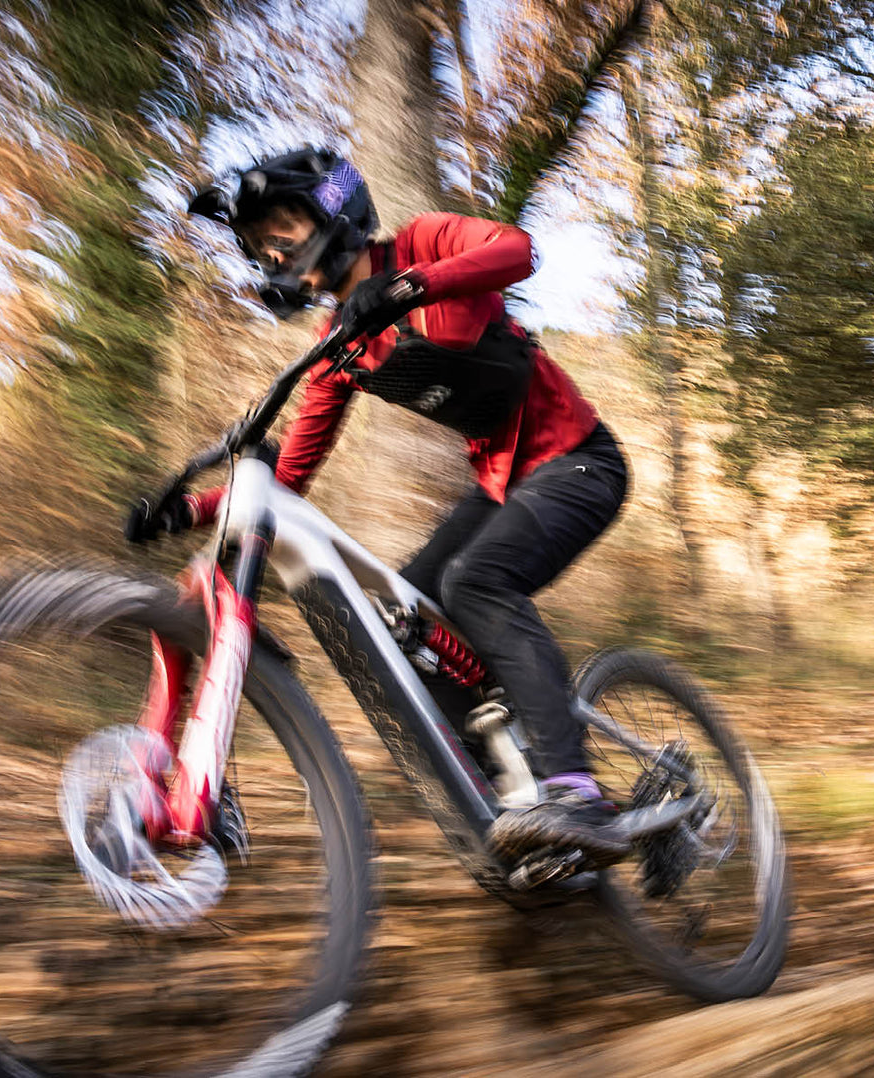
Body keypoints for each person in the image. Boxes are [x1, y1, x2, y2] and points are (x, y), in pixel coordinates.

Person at [180, 147, 632, 863]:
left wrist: (412, 287)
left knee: (476, 582)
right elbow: (289, 475)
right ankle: (511, 800)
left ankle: (576, 789)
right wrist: (195, 510)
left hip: (579, 460)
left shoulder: (422, 243)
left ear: (332, 208)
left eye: (283, 227)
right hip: (501, 485)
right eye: (259, 244)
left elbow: (516, 250)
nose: (273, 250)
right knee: (409, 612)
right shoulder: (339, 346)